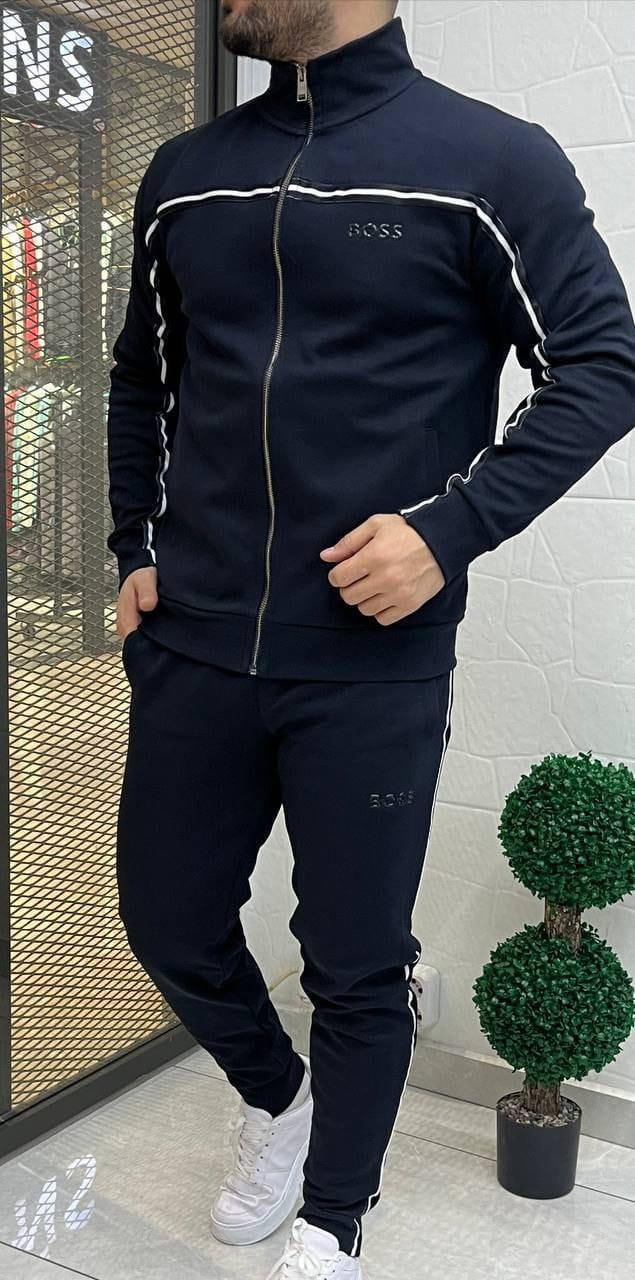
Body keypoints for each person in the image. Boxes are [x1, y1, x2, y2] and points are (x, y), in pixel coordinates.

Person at [106, 1, 635, 1276]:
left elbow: (601, 364)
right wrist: (133, 547)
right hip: (195, 642)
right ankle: (276, 1099)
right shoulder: (186, 175)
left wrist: (448, 531)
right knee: (167, 920)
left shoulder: (487, 161)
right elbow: (142, 378)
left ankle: (332, 1221)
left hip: (368, 659)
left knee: (352, 961)